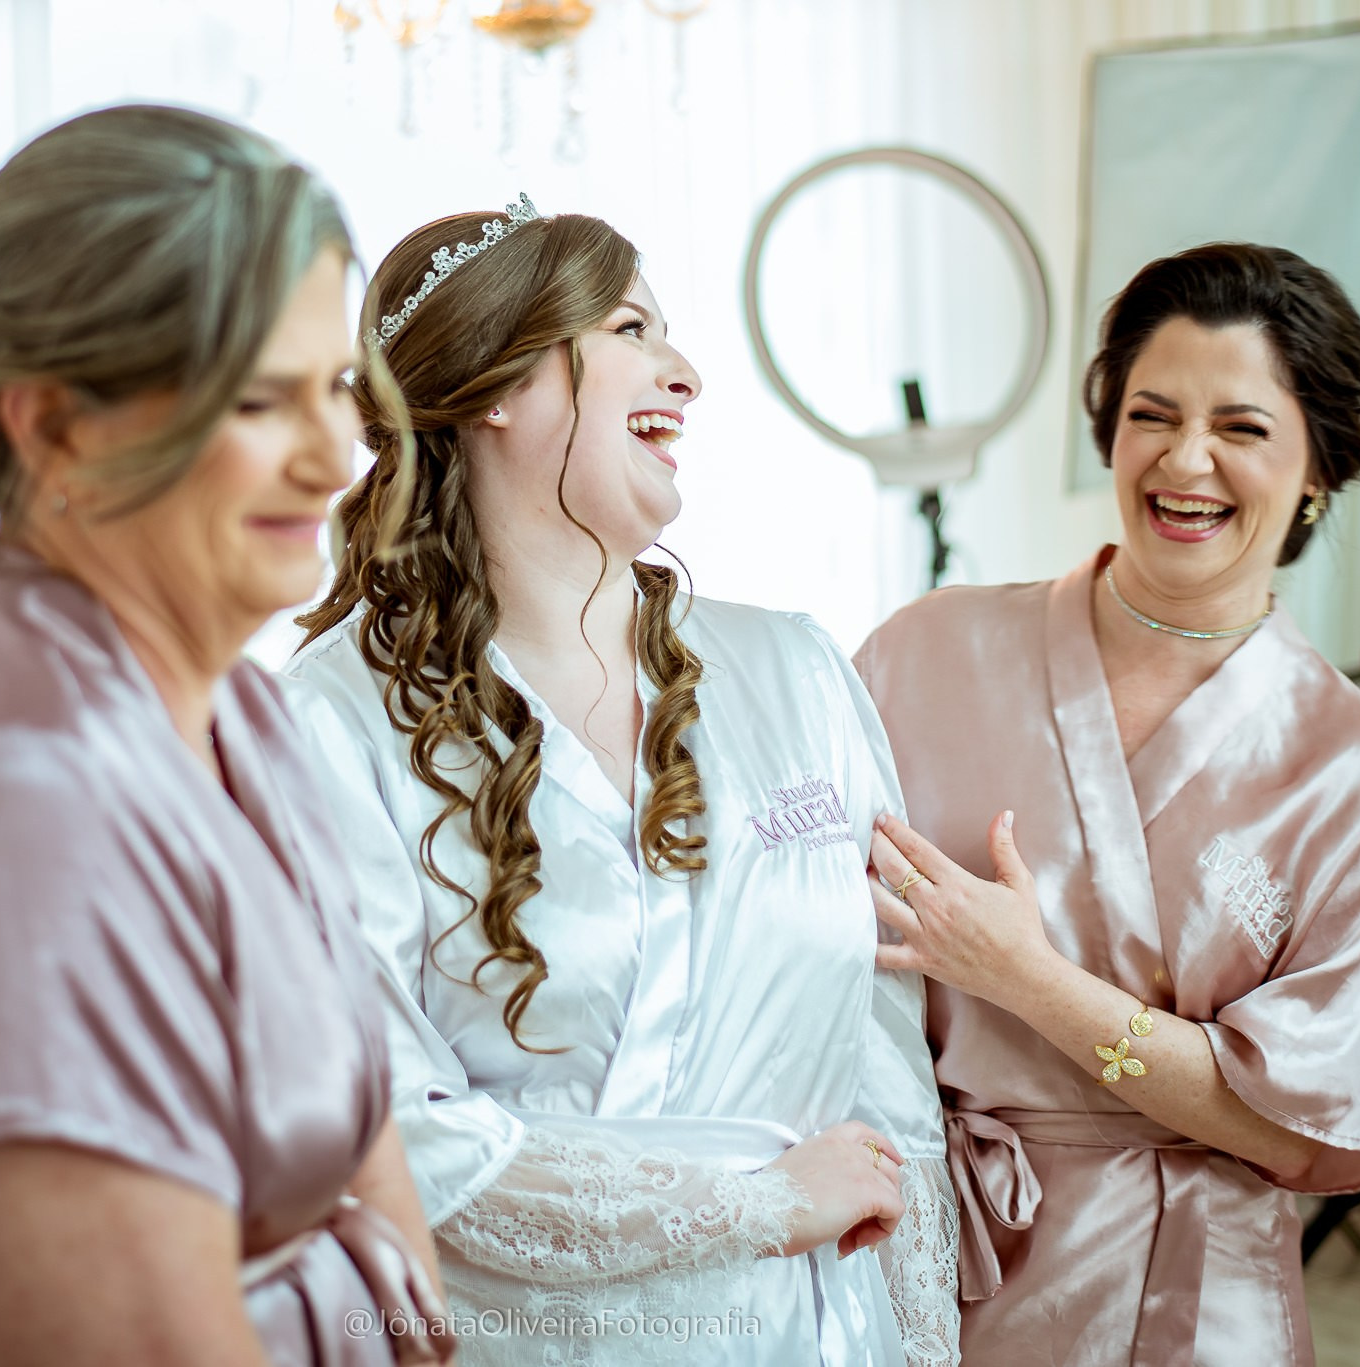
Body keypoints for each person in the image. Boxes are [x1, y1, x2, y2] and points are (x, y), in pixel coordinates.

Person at [0, 105, 451, 1367]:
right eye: (259, 402)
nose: (339, 456)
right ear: (53, 425)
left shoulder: (239, 704)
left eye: (336, 388)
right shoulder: (17, 806)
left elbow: (361, 1137)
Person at [280, 197, 961, 1367]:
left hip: (808, 1334)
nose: (684, 372)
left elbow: (883, 1069)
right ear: (498, 384)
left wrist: (913, 1335)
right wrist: (754, 1204)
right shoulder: (330, 723)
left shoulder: (796, 670)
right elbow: (380, 1133)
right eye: (633, 328)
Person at [854, 242, 1360, 1367]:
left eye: (1243, 428)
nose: (1186, 459)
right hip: (921, 1249)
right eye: (1150, 414)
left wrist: (1026, 978)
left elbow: (1299, 1125)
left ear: (1320, 467)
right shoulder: (922, 651)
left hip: (1191, 1294)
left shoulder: (1356, 765)